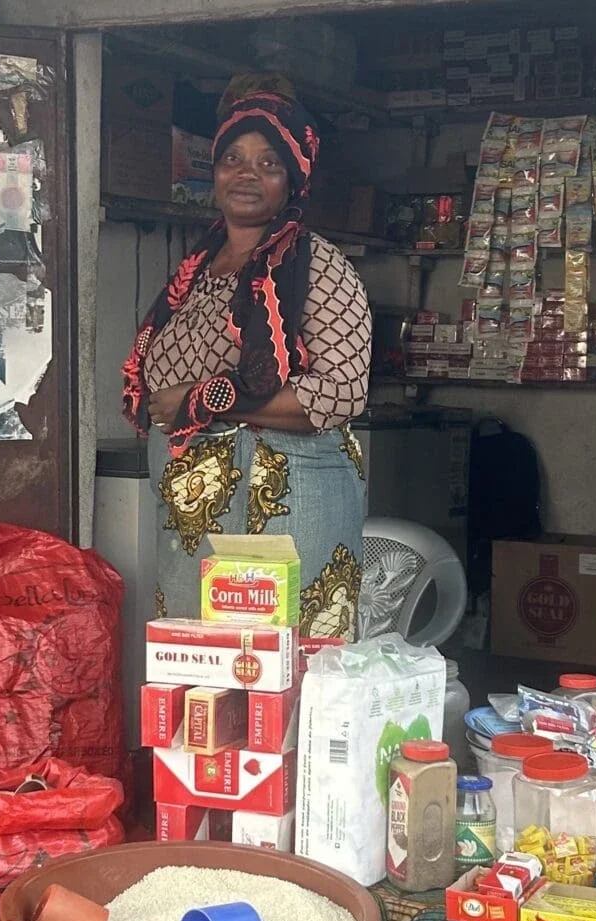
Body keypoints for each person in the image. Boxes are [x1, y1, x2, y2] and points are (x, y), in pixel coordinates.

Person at [122, 92, 372, 640]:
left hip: (287, 498)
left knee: (288, 660)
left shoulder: (317, 264)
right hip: (195, 510)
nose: (247, 175)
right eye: (233, 159)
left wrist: (202, 401)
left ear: (293, 180)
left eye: (268, 163)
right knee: (198, 661)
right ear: (214, 172)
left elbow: (340, 392)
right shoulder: (196, 268)